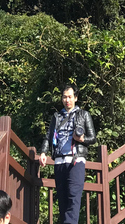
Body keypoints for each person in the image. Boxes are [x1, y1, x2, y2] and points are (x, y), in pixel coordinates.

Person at [39, 83, 97, 224]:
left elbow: (93, 138)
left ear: (76, 98)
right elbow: (49, 136)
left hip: (76, 161)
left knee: (73, 197)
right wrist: (43, 152)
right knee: (63, 200)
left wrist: (82, 139)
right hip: (59, 161)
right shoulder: (57, 117)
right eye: (64, 97)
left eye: (70, 97)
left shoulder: (84, 115)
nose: (67, 100)